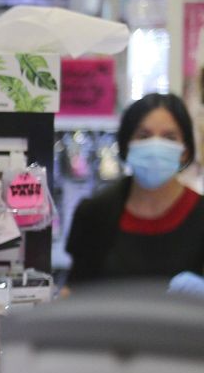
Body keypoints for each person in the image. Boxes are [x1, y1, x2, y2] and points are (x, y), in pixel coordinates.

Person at [67, 92, 204, 286]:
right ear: (126, 145)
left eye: (169, 137)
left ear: (185, 151)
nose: (155, 146)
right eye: (144, 136)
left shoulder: (200, 214)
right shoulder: (95, 213)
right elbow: (75, 289)